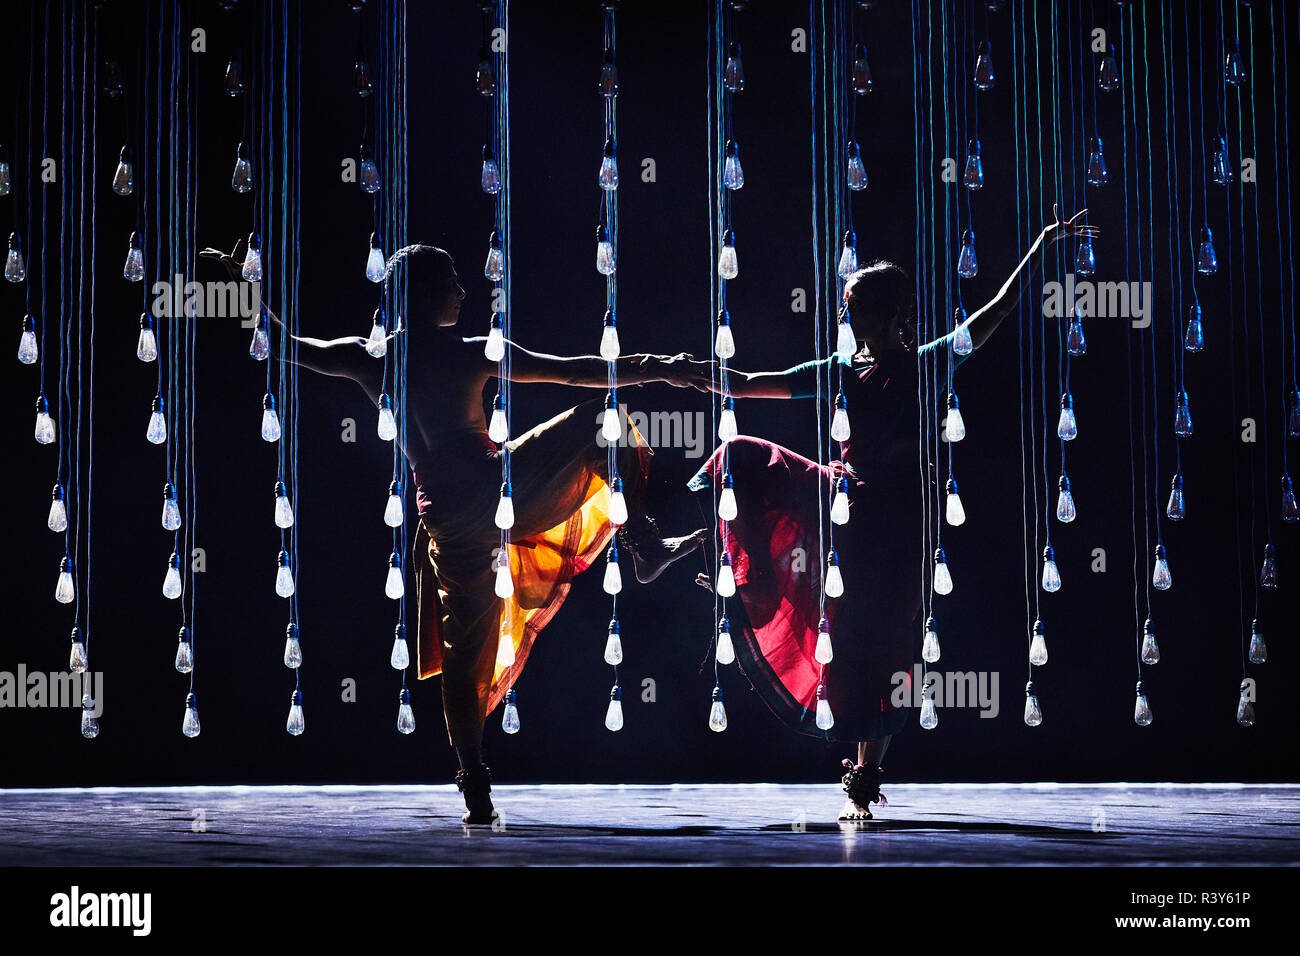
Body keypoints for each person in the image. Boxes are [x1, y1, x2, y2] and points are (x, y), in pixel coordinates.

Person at [201, 241, 706, 823]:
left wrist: (241, 291)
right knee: (603, 420)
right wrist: (662, 369)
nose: (466, 292)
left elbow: (284, 348)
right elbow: (574, 374)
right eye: (453, 281)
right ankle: (642, 542)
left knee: (467, 653)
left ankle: (474, 785)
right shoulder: (467, 353)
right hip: (499, 493)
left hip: (449, 517)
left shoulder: (370, 360)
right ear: (421, 293)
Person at [682, 207, 1096, 820]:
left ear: (890, 315)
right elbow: (750, 382)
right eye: (846, 308)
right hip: (844, 504)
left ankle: (868, 769)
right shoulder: (839, 371)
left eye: (858, 309)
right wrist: (700, 377)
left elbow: (995, 314)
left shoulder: (924, 363)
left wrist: (1038, 247)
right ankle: (698, 550)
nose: (849, 319)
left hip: (898, 517)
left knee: (885, 635)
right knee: (753, 469)